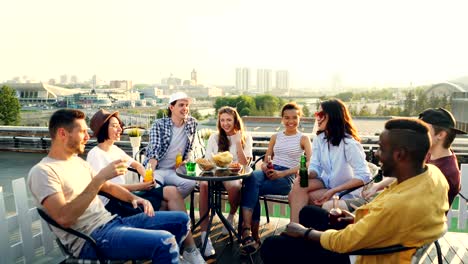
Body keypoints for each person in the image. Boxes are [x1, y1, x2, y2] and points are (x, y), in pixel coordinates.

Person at [261, 118, 449, 264]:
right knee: (308, 212)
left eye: (381, 149)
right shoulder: (432, 175)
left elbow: (344, 242)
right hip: (383, 239)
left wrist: (305, 233)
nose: (375, 154)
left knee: (273, 245)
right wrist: (354, 218)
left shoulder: (399, 205)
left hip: (362, 257)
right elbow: (382, 220)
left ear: (399, 155)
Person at [28, 109, 191, 263]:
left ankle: (169, 258)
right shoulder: (43, 172)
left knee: (182, 220)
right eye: (82, 132)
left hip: (113, 222)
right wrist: (99, 179)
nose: (87, 137)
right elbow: (64, 218)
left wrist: (136, 199)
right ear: (62, 133)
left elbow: (109, 187)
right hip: (91, 238)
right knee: (165, 242)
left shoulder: (78, 162)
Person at [86, 109, 205, 263]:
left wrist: (146, 173)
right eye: (115, 126)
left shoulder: (114, 149)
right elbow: (106, 188)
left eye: (119, 125)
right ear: (103, 129)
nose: (120, 129)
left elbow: (135, 163)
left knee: (172, 192)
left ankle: (188, 249)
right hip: (114, 205)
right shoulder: (95, 154)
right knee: (166, 204)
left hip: (126, 198)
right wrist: (140, 186)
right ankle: (177, 250)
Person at [240, 102, 312, 254]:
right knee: (251, 177)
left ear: (300, 118)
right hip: (270, 172)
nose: (290, 121)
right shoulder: (275, 137)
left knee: (250, 188)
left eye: (294, 117)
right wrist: (266, 166)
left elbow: (309, 164)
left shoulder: (304, 138)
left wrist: (283, 173)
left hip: (288, 178)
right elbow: (267, 158)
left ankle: (249, 234)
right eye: (286, 118)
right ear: (282, 119)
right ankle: (250, 234)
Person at [288, 99, 372, 222]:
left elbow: (364, 176)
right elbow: (316, 166)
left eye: (321, 115)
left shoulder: (349, 144)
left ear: (333, 116)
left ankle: (298, 230)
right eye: (317, 114)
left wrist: (334, 190)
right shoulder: (320, 139)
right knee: (300, 184)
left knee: (295, 197)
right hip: (328, 185)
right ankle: (296, 229)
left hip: (345, 192)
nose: (317, 118)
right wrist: (308, 173)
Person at [363, 107, 465, 207]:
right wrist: (377, 186)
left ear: (441, 135)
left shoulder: (446, 172)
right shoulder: (430, 154)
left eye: (423, 129)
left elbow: (416, 205)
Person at [199, 106, 253, 257]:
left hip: (233, 175)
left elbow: (245, 164)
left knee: (235, 185)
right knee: (203, 184)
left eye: (229, 120)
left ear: (236, 121)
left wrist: (237, 143)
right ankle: (204, 234)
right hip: (215, 173)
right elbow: (209, 160)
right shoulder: (214, 137)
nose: (225, 123)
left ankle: (231, 215)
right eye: (222, 120)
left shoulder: (245, 137)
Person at [144, 91, 198, 198]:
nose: (185, 108)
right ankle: (168, 204)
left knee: (190, 183)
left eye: (187, 105)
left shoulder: (192, 123)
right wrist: (150, 175)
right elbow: (153, 152)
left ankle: (166, 204)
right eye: (181, 105)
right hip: (158, 169)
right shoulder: (159, 125)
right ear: (171, 107)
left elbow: (190, 148)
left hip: (175, 171)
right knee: (152, 188)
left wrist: (186, 161)